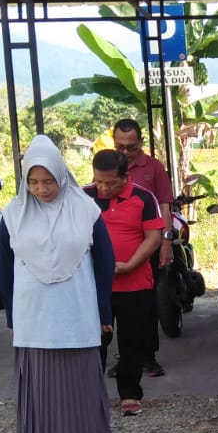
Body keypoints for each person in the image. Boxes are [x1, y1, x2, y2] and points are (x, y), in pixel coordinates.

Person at [0, 135, 115, 433]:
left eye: (48, 181)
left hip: (76, 309)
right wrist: (11, 315)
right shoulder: (13, 214)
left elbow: (105, 262)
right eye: (33, 182)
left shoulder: (85, 210)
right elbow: (3, 268)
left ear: (61, 175)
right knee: (39, 388)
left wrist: (104, 311)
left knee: (77, 385)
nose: (41, 189)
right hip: (32, 314)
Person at [84, 149, 165, 418]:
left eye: (111, 183)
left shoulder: (144, 197)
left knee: (133, 343)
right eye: (99, 181)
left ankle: (130, 394)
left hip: (135, 284)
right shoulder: (82, 197)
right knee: (94, 342)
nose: (103, 188)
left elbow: (153, 237)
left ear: (125, 177)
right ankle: (91, 395)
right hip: (95, 287)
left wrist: (129, 265)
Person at [111, 118, 174, 378]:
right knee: (118, 307)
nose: (126, 152)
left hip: (148, 248)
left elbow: (165, 206)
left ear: (141, 142)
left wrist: (166, 242)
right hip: (117, 253)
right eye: (120, 146)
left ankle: (148, 357)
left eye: (132, 147)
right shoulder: (108, 167)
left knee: (147, 305)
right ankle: (126, 359)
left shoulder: (154, 168)